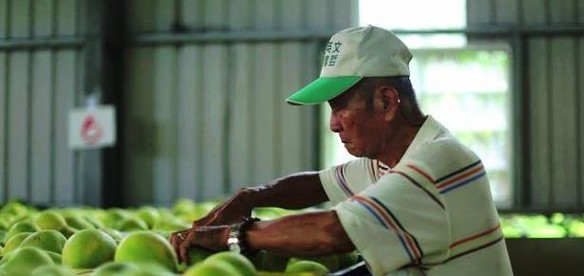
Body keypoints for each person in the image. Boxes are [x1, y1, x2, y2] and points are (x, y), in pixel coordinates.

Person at [170, 25, 513, 276]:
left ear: (386, 101)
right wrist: (250, 197)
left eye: (340, 107)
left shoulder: (440, 161)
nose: (333, 124)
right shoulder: (388, 162)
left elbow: (332, 232)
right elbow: (316, 185)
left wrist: (231, 237)